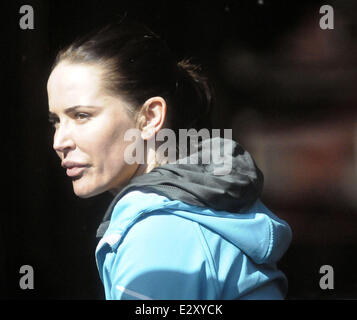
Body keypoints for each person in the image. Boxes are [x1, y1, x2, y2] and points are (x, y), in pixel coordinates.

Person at [47, 19, 292, 300]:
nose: (59, 142)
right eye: (56, 120)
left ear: (150, 117)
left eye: (82, 116)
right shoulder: (195, 209)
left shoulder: (158, 236)